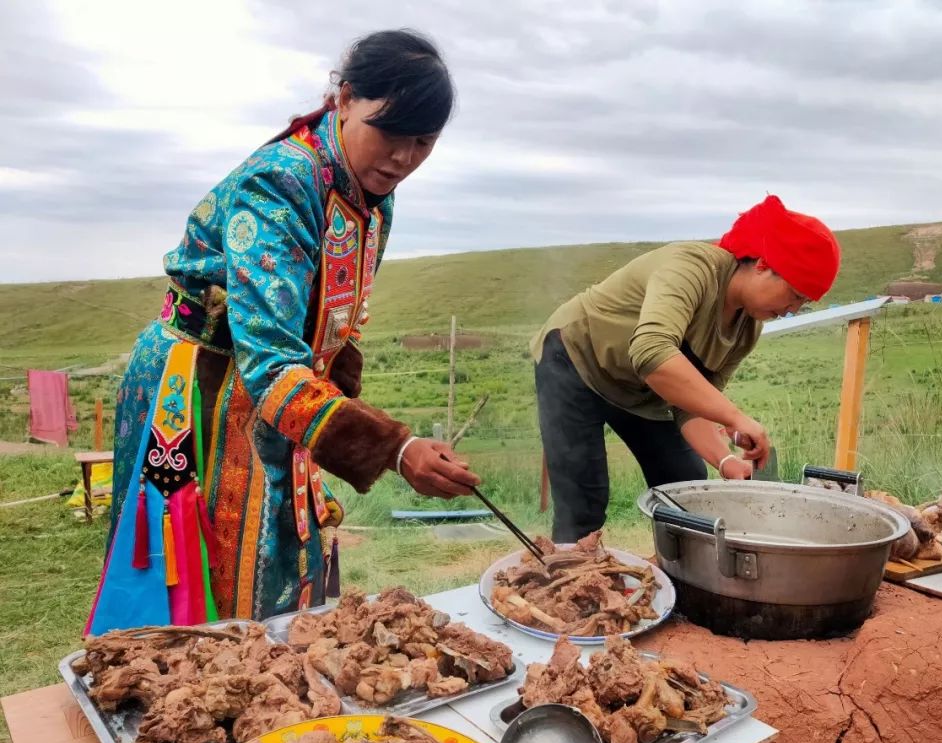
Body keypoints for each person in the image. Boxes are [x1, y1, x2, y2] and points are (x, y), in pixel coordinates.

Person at [86, 30, 478, 635]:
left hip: (275, 384)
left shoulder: (373, 196)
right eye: (389, 132)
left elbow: (332, 316)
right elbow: (268, 359)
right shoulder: (280, 182)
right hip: (198, 388)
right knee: (206, 575)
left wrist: (341, 386)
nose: (402, 157)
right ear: (345, 99)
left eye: (422, 142)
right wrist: (395, 448)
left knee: (279, 549)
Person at [532, 194, 841, 541]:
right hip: (574, 361)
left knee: (683, 482)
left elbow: (690, 406)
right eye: (795, 294)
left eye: (803, 302)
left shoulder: (746, 330)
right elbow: (651, 353)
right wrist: (734, 416)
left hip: (640, 387)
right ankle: (568, 584)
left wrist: (725, 462)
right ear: (763, 265)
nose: (793, 309)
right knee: (583, 500)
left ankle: (682, 580)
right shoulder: (692, 267)